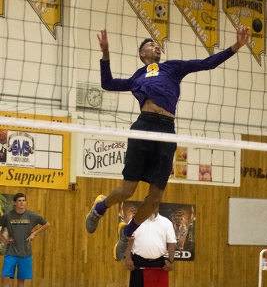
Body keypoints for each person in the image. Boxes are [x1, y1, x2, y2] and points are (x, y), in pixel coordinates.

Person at [86, 27, 249, 258]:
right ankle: (99, 209)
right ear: (143, 54)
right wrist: (105, 55)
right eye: (151, 45)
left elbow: (207, 63)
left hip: (166, 130)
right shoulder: (137, 77)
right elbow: (107, 84)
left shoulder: (172, 68)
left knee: (155, 199)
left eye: (158, 44)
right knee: (127, 190)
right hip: (144, 126)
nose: (157, 46)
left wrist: (236, 46)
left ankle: (128, 233)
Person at [0, 192, 50, 287]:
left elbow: (47, 224)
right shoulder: (8, 216)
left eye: (23, 200)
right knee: (5, 277)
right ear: (14, 203)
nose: (22, 203)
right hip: (11, 252)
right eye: (19, 201)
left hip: (25, 253)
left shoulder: (31, 215)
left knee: (21, 281)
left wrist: (34, 233)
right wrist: (4, 240)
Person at [121, 206, 176, 287]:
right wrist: (128, 259)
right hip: (138, 262)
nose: (150, 207)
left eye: (153, 204)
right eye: (148, 204)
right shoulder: (135, 222)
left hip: (158, 263)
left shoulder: (166, 222)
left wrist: (171, 261)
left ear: (157, 205)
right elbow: (128, 241)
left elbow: (171, 243)